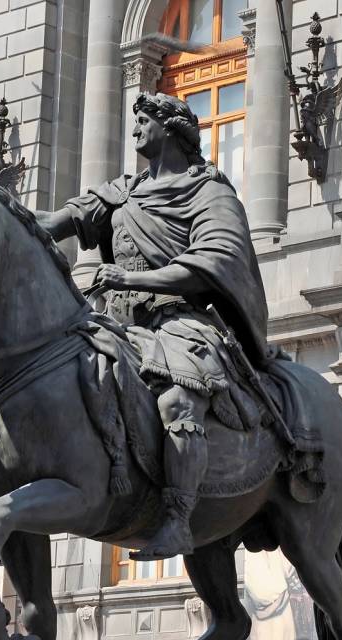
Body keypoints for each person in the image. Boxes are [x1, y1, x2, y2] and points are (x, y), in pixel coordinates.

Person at [38, 92, 269, 561]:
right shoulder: (120, 193)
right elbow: (48, 223)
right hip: (118, 323)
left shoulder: (209, 192)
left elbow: (214, 262)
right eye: (135, 120)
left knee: (176, 397)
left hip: (180, 320)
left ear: (172, 128)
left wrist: (129, 276)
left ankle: (179, 519)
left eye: (145, 120)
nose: (136, 128)